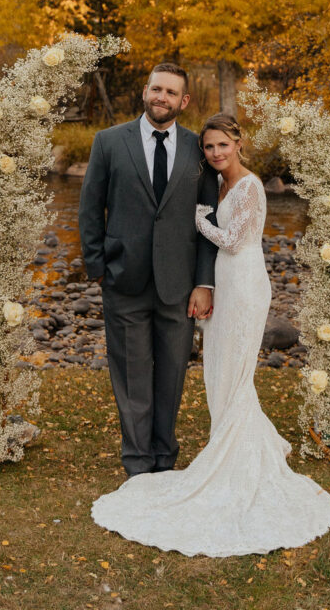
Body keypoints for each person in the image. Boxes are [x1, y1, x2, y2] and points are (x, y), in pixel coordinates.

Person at [91, 113, 330, 557]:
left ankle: (236, 463)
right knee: (219, 372)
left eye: (222, 145)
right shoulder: (221, 184)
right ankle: (233, 445)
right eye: (208, 147)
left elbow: (233, 240)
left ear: (238, 143)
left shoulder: (250, 186)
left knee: (234, 374)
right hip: (222, 285)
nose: (215, 153)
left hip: (242, 286)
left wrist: (195, 218)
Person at [79, 63, 218, 476]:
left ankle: (164, 457)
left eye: (171, 93)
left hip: (179, 285)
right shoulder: (108, 142)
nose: (162, 98)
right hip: (124, 279)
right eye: (157, 89)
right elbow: (90, 208)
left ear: (184, 101)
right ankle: (138, 463)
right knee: (131, 374)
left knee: (172, 375)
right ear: (145, 91)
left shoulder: (199, 148)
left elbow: (208, 220)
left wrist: (204, 282)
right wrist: (97, 267)